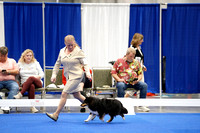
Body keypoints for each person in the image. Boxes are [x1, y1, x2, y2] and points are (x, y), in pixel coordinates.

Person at [46, 35, 91, 121]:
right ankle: (95, 109)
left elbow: (85, 63)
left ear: (74, 42)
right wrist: (54, 75)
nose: (70, 47)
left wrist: (88, 73)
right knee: (77, 95)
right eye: (68, 45)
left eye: (72, 45)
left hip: (77, 76)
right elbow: (57, 64)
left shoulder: (79, 51)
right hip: (68, 77)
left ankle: (56, 114)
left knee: (64, 93)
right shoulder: (62, 51)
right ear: (65, 43)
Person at [111, 47, 150, 112]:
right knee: (120, 86)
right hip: (123, 82)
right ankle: (120, 106)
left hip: (134, 82)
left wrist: (138, 79)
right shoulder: (119, 61)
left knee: (144, 85)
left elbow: (140, 73)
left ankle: (141, 105)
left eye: (133, 56)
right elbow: (113, 73)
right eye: (131, 56)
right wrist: (118, 79)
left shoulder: (136, 62)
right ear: (126, 55)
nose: (132, 58)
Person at [124, 33, 147, 98]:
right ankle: (140, 105)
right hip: (134, 70)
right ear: (137, 39)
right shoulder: (132, 48)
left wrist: (143, 66)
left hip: (140, 69)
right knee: (139, 85)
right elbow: (132, 59)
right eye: (141, 39)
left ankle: (140, 103)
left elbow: (140, 59)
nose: (142, 41)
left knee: (140, 86)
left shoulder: (139, 48)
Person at [0, 46, 19, 114]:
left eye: (5, 56)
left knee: (15, 87)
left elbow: (17, 71)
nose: (3, 57)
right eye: (1, 55)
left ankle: (7, 105)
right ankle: (2, 103)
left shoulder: (12, 61)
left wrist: (8, 72)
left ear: (7, 54)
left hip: (10, 81)